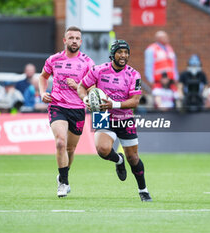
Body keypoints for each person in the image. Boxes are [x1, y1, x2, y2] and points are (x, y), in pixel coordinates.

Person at [78, 40, 153, 202]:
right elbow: (81, 86)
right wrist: (86, 100)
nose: (123, 55)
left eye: (126, 52)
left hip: (124, 117)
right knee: (102, 149)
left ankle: (143, 190)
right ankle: (118, 160)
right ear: (113, 54)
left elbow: (134, 101)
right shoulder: (98, 70)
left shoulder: (134, 74)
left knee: (133, 158)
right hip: (103, 115)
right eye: (120, 52)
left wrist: (114, 104)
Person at [39, 26, 95, 198]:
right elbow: (43, 77)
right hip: (57, 105)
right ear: (65, 40)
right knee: (60, 143)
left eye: (77, 38)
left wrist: (79, 86)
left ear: (81, 41)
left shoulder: (87, 62)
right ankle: (63, 183)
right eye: (71, 38)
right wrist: (42, 93)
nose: (74, 41)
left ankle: (63, 175)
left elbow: (93, 87)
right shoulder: (54, 59)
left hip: (78, 109)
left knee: (70, 149)